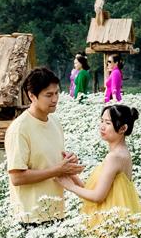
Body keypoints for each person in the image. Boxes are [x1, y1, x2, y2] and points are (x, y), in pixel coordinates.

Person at [5, 68, 85, 226]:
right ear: (32, 96)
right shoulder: (20, 129)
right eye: (48, 95)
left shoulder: (54, 122)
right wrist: (58, 170)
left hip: (57, 211)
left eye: (57, 93)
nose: (54, 99)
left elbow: (54, 164)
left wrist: (69, 164)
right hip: (31, 217)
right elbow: (17, 177)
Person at [58, 104, 141, 238]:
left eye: (108, 123)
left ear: (123, 128)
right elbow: (94, 191)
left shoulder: (114, 157)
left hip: (110, 222)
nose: (102, 127)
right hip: (116, 217)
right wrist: (73, 176)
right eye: (102, 121)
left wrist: (70, 187)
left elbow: (98, 196)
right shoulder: (122, 153)